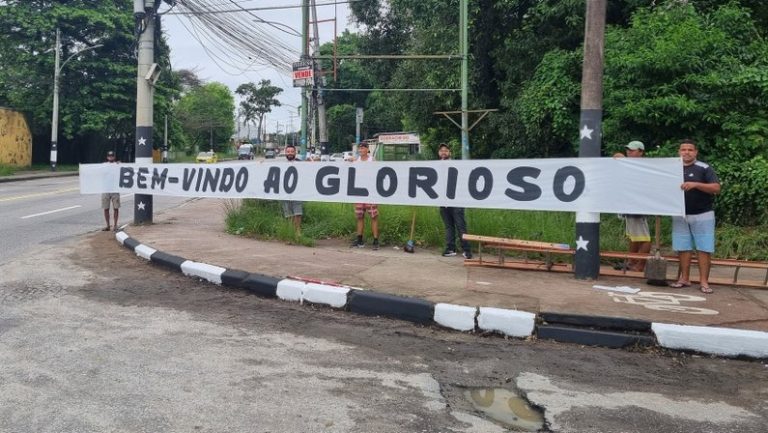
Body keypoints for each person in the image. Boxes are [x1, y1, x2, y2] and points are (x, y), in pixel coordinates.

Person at [670, 139, 721, 294]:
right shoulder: (672, 168)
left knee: (704, 248)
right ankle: (684, 278)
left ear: (696, 152)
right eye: (683, 149)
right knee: (683, 248)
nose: (686, 152)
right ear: (679, 151)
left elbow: (716, 188)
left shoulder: (704, 168)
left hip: (703, 214)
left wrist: (696, 184)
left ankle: (704, 282)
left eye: (690, 149)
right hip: (680, 214)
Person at [613, 141, 651, 271]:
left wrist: (623, 159)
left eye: (633, 150)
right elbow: (617, 155)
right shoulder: (629, 163)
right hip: (629, 205)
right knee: (633, 236)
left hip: (639, 205)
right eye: (628, 149)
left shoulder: (643, 165)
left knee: (644, 237)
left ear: (641, 152)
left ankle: (640, 265)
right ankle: (631, 261)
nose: (629, 151)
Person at [437, 143, 472, 259]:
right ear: (439, 153)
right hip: (443, 201)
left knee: (460, 226)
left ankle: (467, 250)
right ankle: (450, 249)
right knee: (449, 226)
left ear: (449, 153)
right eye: (441, 150)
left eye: (446, 150)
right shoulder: (435, 166)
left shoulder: (456, 165)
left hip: (457, 200)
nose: (443, 152)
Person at [351, 142, 380, 250]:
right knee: (359, 216)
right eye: (360, 148)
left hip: (371, 192)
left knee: (374, 216)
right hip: (359, 192)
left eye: (363, 148)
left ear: (367, 149)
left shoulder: (372, 160)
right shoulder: (356, 161)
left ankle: (376, 240)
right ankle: (359, 240)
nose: (361, 150)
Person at [281, 144, 303, 236]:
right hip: (285, 193)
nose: (290, 153)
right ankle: (291, 232)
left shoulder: (301, 164)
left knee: (298, 213)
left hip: (297, 192)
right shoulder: (281, 165)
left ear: (295, 153)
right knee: (288, 214)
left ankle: (297, 232)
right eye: (288, 151)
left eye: (292, 151)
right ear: (285, 153)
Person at [101, 150, 120, 231]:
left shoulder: (117, 165)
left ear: (114, 157)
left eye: (112, 156)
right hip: (106, 189)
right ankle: (108, 225)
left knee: (116, 208)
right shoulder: (104, 165)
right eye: (109, 156)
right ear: (107, 157)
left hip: (115, 189)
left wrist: (120, 165)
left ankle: (115, 225)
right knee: (106, 208)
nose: (110, 157)